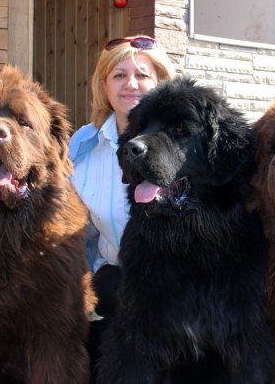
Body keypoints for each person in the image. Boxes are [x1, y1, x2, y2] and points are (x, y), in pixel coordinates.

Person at [68, 35, 175, 376]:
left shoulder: (187, 142)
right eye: (119, 75)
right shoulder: (83, 145)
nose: (132, 85)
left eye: (143, 75)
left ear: (161, 83)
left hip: (179, 292)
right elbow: (75, 229)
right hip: (115, 289)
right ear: (104, 85)